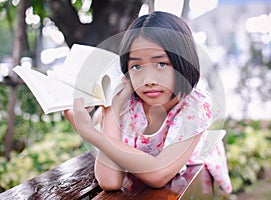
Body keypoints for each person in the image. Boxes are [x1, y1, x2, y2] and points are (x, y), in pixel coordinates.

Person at [63, 11, 232, 194]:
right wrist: (111, 109)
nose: (149, 79)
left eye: (161, 64)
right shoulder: (127, 101)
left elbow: (158, 174)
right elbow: (110, 181)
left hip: (193, 180)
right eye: (136, 66)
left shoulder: (195, 106)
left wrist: (90, 134)